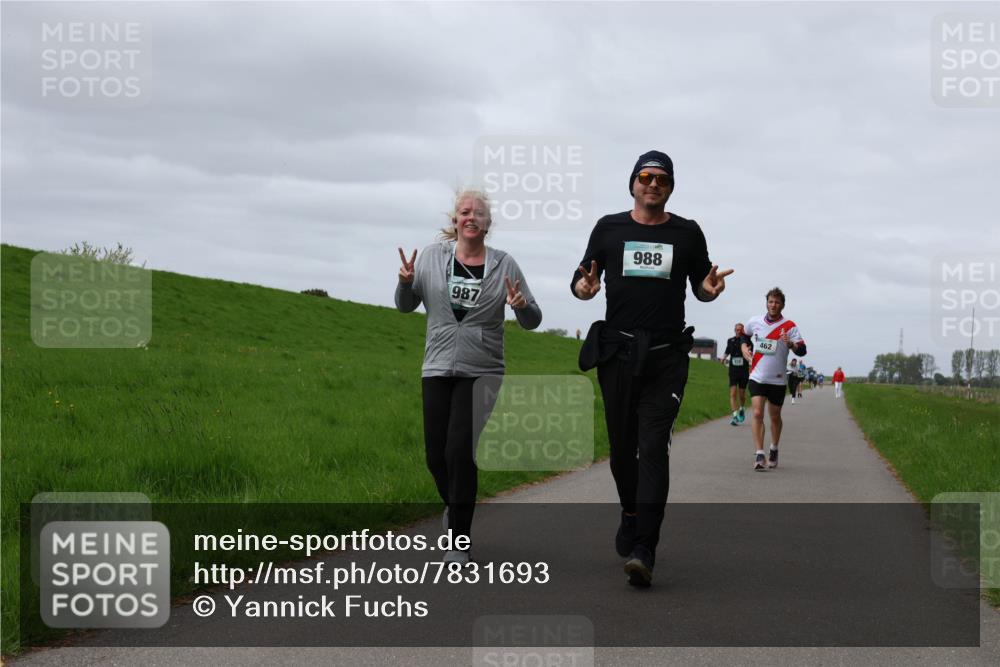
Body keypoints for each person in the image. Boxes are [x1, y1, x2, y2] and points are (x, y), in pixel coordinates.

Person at [571, 150, 732, 587]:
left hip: (665, 357)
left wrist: (711, 289)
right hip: (619, 354)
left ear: (670, 186)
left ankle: (645, 548)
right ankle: (629, 511)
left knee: (653, 446)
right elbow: (582, 279)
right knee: (622, 450)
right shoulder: (609, 228)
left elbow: (702, 284)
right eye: (645, 176)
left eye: (661, 178)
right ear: (633, 183)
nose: (653, 184)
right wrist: (585, 288)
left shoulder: (687, 232)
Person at [396, 190, 542, 564]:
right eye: (464, 212)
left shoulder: (505, 265)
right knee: (435, 455)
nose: (471, 217)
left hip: (483, 369)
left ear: (488, 224)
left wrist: (521, 306)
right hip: (437, 364)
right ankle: (455, 507)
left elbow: (533, 320)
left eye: (478, 213)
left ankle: (459, 539)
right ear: (455, 220)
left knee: (459, 452)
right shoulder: (431, 257)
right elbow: (406, 305)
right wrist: (405, 282)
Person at [742, 287, 807, 471]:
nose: (773, 305)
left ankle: (774, 448)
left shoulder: (790, 326)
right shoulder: (754, 321)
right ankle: (759, 453)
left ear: (782, 305)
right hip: (757, 376)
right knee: (756, 413)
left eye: (777, 302)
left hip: (777, 379)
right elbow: (744, 336)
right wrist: (744, 347)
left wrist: (791, 344)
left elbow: (802, 349)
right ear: (766, 303)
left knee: (775, 416)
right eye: (771, 301)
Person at [722, 323, 752, 425]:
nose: (738, 331)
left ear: (743, 331)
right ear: (734, 330)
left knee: (742, 395)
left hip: (743, 371)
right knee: (733, 393)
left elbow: (750, 353)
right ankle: (735, 416)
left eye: (740, 330)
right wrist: (723, 357)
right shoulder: (730, 340)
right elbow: (727, 351)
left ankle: (742, 408)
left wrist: (750, 354)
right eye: (737, 330)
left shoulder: (747, 341)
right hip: (733, 370)